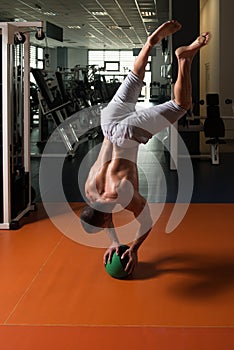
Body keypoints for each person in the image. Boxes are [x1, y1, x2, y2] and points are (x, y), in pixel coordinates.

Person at [80, 20, 210, 275]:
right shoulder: (90, 190)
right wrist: (116, 243)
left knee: (180, 106)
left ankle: (184, 60)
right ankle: (151, 42)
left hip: (128, 134)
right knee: (135, 77)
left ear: (105, 217)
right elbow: (103, 215)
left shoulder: (122, 194)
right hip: (108, 122)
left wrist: (135, 248)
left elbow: (147, 222)